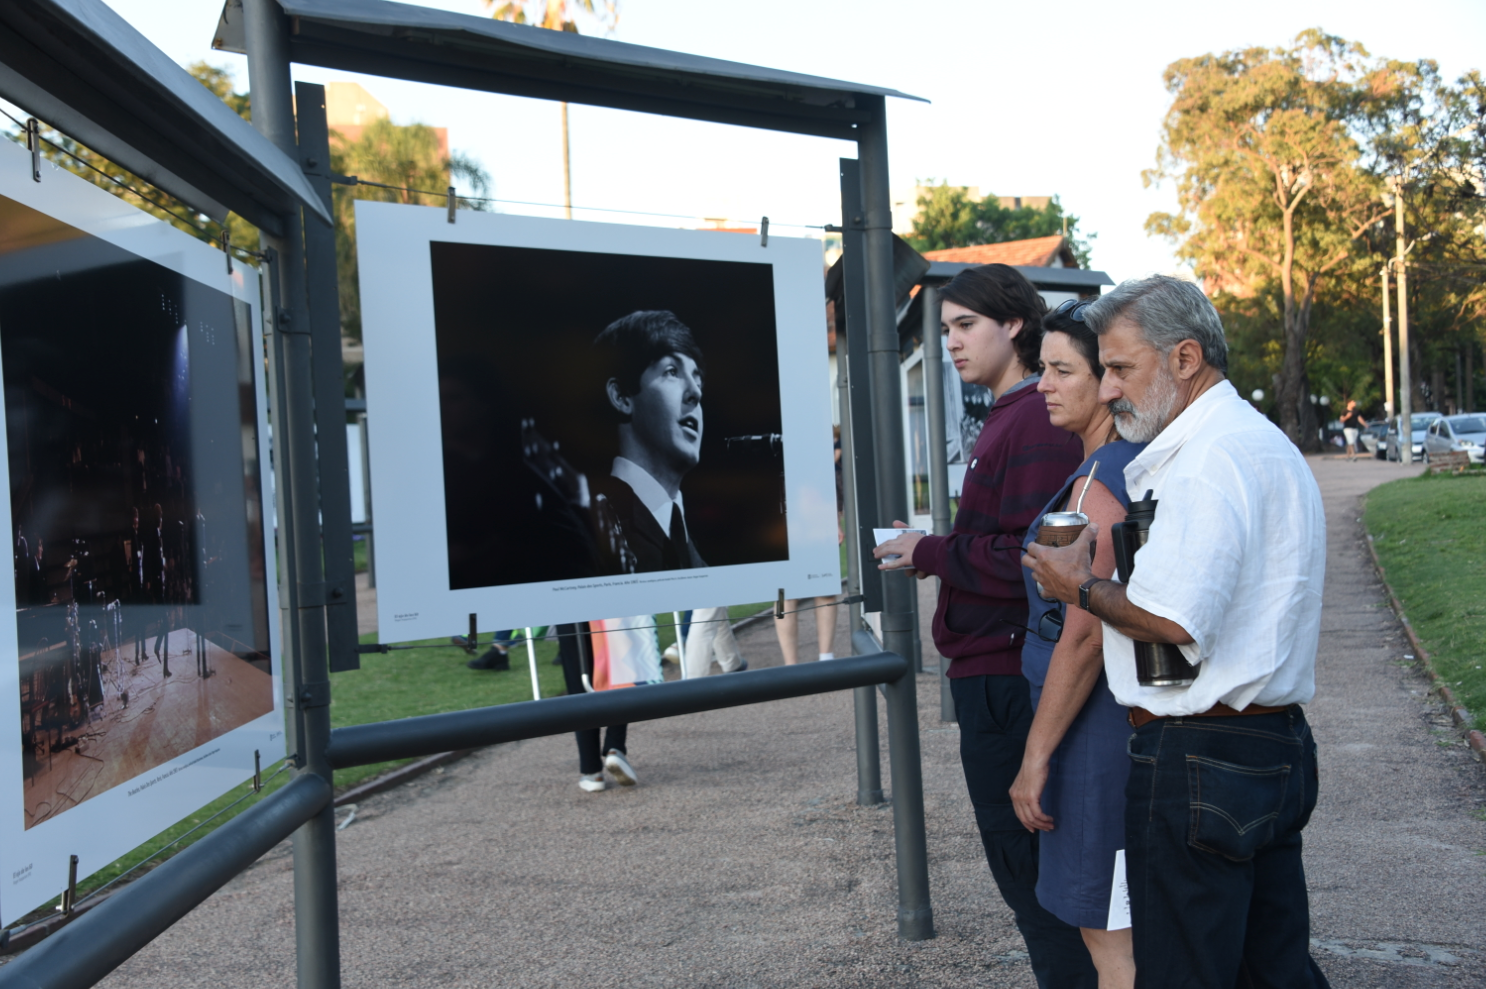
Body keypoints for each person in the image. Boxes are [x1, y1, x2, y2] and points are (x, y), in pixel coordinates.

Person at [1023, 274, 1328, 989]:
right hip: (1268, 739)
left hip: (1201, 751)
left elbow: (1175, 619)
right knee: (1271, 966)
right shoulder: (1253, 439)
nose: (1108, 390)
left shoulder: (1208, 460)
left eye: (1122, 368)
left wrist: (1082, 588)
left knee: (1184, 970)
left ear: (1185, 357)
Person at [874, 264, 1095, 988]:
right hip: (989, 669)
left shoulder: (1034, 416)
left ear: (1015, 325)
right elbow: (1004, 537)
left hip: (1006, 673)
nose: (951, 345)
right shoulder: (1008, 414)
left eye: (965, 326)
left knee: (1035, 882)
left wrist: (933, 550)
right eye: (945, 331)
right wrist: (932, 548)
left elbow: (1034, 558)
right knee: (1028, 878)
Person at [1010, 300, 1145, 989]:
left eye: (1063, 370)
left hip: (1091, 732)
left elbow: (1085, 633)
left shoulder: (1104, 479)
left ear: (1108, 380)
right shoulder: (1106, 467)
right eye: (1042, 369)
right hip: (1090, 720)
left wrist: (1035, 756)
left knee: (1111, 936)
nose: (1045, 384)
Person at [591, 311, 707, 573]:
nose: (696, 393)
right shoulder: (591, 532)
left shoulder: (693, 546)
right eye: (672, 371)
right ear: (621, 397)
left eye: (698, 380)